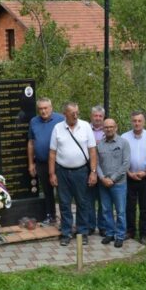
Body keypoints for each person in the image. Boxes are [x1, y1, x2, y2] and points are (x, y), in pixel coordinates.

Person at [49, 102, 97, 246]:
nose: (75, 115)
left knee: (82, 202)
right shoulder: (58, 128)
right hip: (62, 171)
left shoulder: (86, 127)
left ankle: (82, 232)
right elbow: (52, 153)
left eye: (77, 112)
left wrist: (93, 172)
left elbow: (92, 150)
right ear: (65, 114)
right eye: (72, 113)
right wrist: (52, 173)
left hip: (81, 171)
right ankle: (66, 232)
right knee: (64, 203)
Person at [27, 97, 64, 225]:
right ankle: (51, 215)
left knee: (62, 192)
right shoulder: (34, 121)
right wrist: (31, 163)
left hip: (59, 162)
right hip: (41, 162)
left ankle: (65, 218)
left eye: (45, 108)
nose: (43, 111)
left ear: (51, 108)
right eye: (40, 109)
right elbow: (31, 143)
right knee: (47, 191)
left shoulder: (61, 120)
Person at [121, 111, 146, 244]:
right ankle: (130, 231)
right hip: (129, 177)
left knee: (144, 207)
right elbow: (122, 159)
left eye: (139, 121)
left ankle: (144, 234)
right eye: (134, 121)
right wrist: (129, 173)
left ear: (144, 122)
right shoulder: (124, 137)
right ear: (131, 121)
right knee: (129, 206)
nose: (137, 123)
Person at [96, 118, 131, 248]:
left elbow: (126, 163)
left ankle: (120, 235)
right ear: (103, 129)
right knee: (106, 210)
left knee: (120, 211)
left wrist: (113, 179)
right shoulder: (100, 145)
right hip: (103, 184)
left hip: (119, 184)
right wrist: (102, 178)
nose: (109, 129)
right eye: (106, 127)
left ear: (116, 127)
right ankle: (110, 233)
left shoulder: (123, 143)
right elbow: (97, 164)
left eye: (111, 127)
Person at [89, 105, 106, 235]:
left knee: (103, 200)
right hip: (89, 169)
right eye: (96, 115)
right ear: (91, 116)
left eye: (100, 116)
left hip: (105, 170)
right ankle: (89, 226)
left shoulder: (108, 130)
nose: (98, 118)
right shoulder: (84, 129)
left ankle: (103, 226)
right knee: (89, 199)